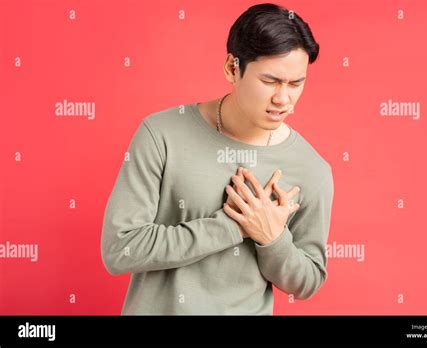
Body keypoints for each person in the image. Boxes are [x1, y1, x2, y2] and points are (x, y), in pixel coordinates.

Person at [101, 2, 334, 315]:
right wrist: (232, 227)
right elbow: (120, 249)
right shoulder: (162, 134)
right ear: (231, 68)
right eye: (269, 81)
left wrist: (272, 238)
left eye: (296, 83)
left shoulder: (311, 169)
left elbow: (308, 281)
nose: (283, 99)